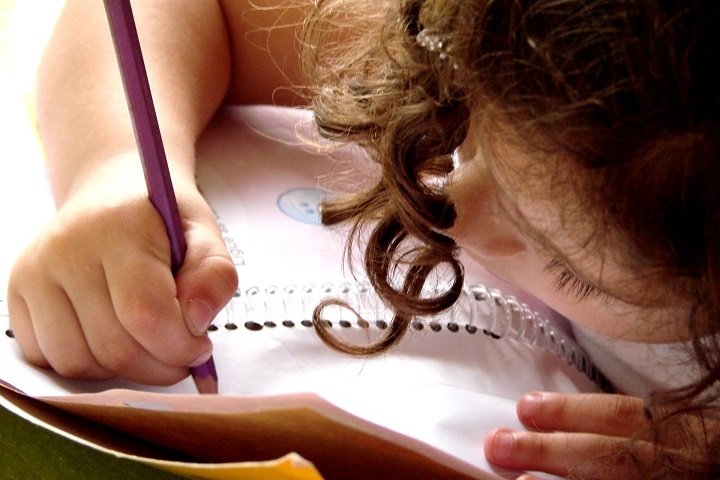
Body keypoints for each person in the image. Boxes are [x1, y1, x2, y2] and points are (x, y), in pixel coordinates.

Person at [6, 0, 718, 477]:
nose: (447, 212)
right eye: (464, 127)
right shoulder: (545, 48)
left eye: (565, 264)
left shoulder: (683, 150)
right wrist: (114, 169)